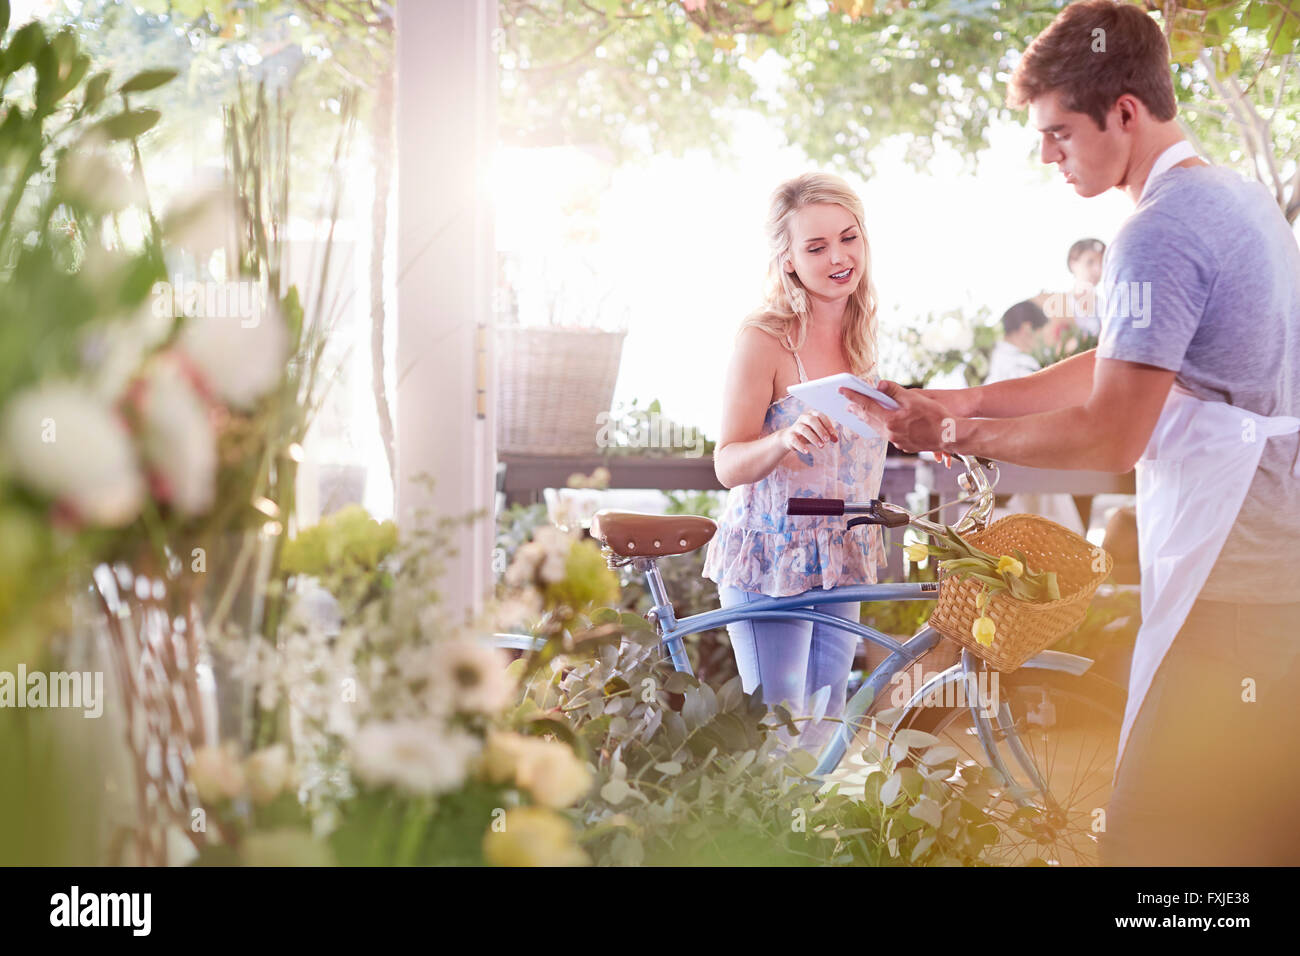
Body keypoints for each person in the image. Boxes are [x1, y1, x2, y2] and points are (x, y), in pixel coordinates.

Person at [841, 0, 1300, 865]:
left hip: (1232, 586)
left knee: (1155, 847)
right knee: (1261, 841)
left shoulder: (1156, 234)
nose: (1047, 156)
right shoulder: (1234, 199)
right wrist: (960, 402)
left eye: (1059, 133)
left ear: (1124, 111)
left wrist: (959, 433)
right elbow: (1117, 365)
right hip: (1277, 573)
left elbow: (1109, 436)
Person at [703, 172, 890, 756]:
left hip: (839, 552)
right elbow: (727, 463)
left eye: (849, 238)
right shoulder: (764, 339)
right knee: (778, 740)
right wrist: (783, 440)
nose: (839, 257)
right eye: (816, 247)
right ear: (788, 259)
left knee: (825, 734)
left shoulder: (862, 338)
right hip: (770, 556)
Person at [986, 299, 1088, 535]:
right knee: (1059, 528)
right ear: (1027, 329)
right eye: (1042, 333)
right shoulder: (1021, 364)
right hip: (1024, 460)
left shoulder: (997, 360)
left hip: (1002, 463)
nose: (1043, 340)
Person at [986, 299, 1049, 385]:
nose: (1041, 341)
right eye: (1040, 333)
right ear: (1027, 328)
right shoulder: (1024, 364)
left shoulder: (985, 358)